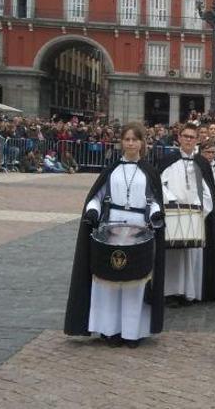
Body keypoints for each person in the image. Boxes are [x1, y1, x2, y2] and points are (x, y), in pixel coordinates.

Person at [64, 123, 166, 348]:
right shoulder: (111, 171)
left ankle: (132, 331)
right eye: (127, 139)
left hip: (140, 230)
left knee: (135, 280)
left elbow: (155, 200)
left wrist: (156, 214)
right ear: (121, 142)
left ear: (142, 143)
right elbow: (97, 197)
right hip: (111, 230)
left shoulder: (149, 171)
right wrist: (92, 211)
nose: (130, 143)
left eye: (134, 139)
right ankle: (109, 330)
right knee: (109, 278)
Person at [159, 124, 215, 306]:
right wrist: (171, 203)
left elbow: (207, 192)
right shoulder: (168, 160)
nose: (188, 139)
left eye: (192, 137)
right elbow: (160, 186)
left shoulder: (201, 163)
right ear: (179, 137)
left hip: (195, 218)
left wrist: (199, 210)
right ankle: (171, 292)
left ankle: (190, 292)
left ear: (197, 140)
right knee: (174, 257)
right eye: (185, 136)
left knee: (193, 256)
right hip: (173, 216)